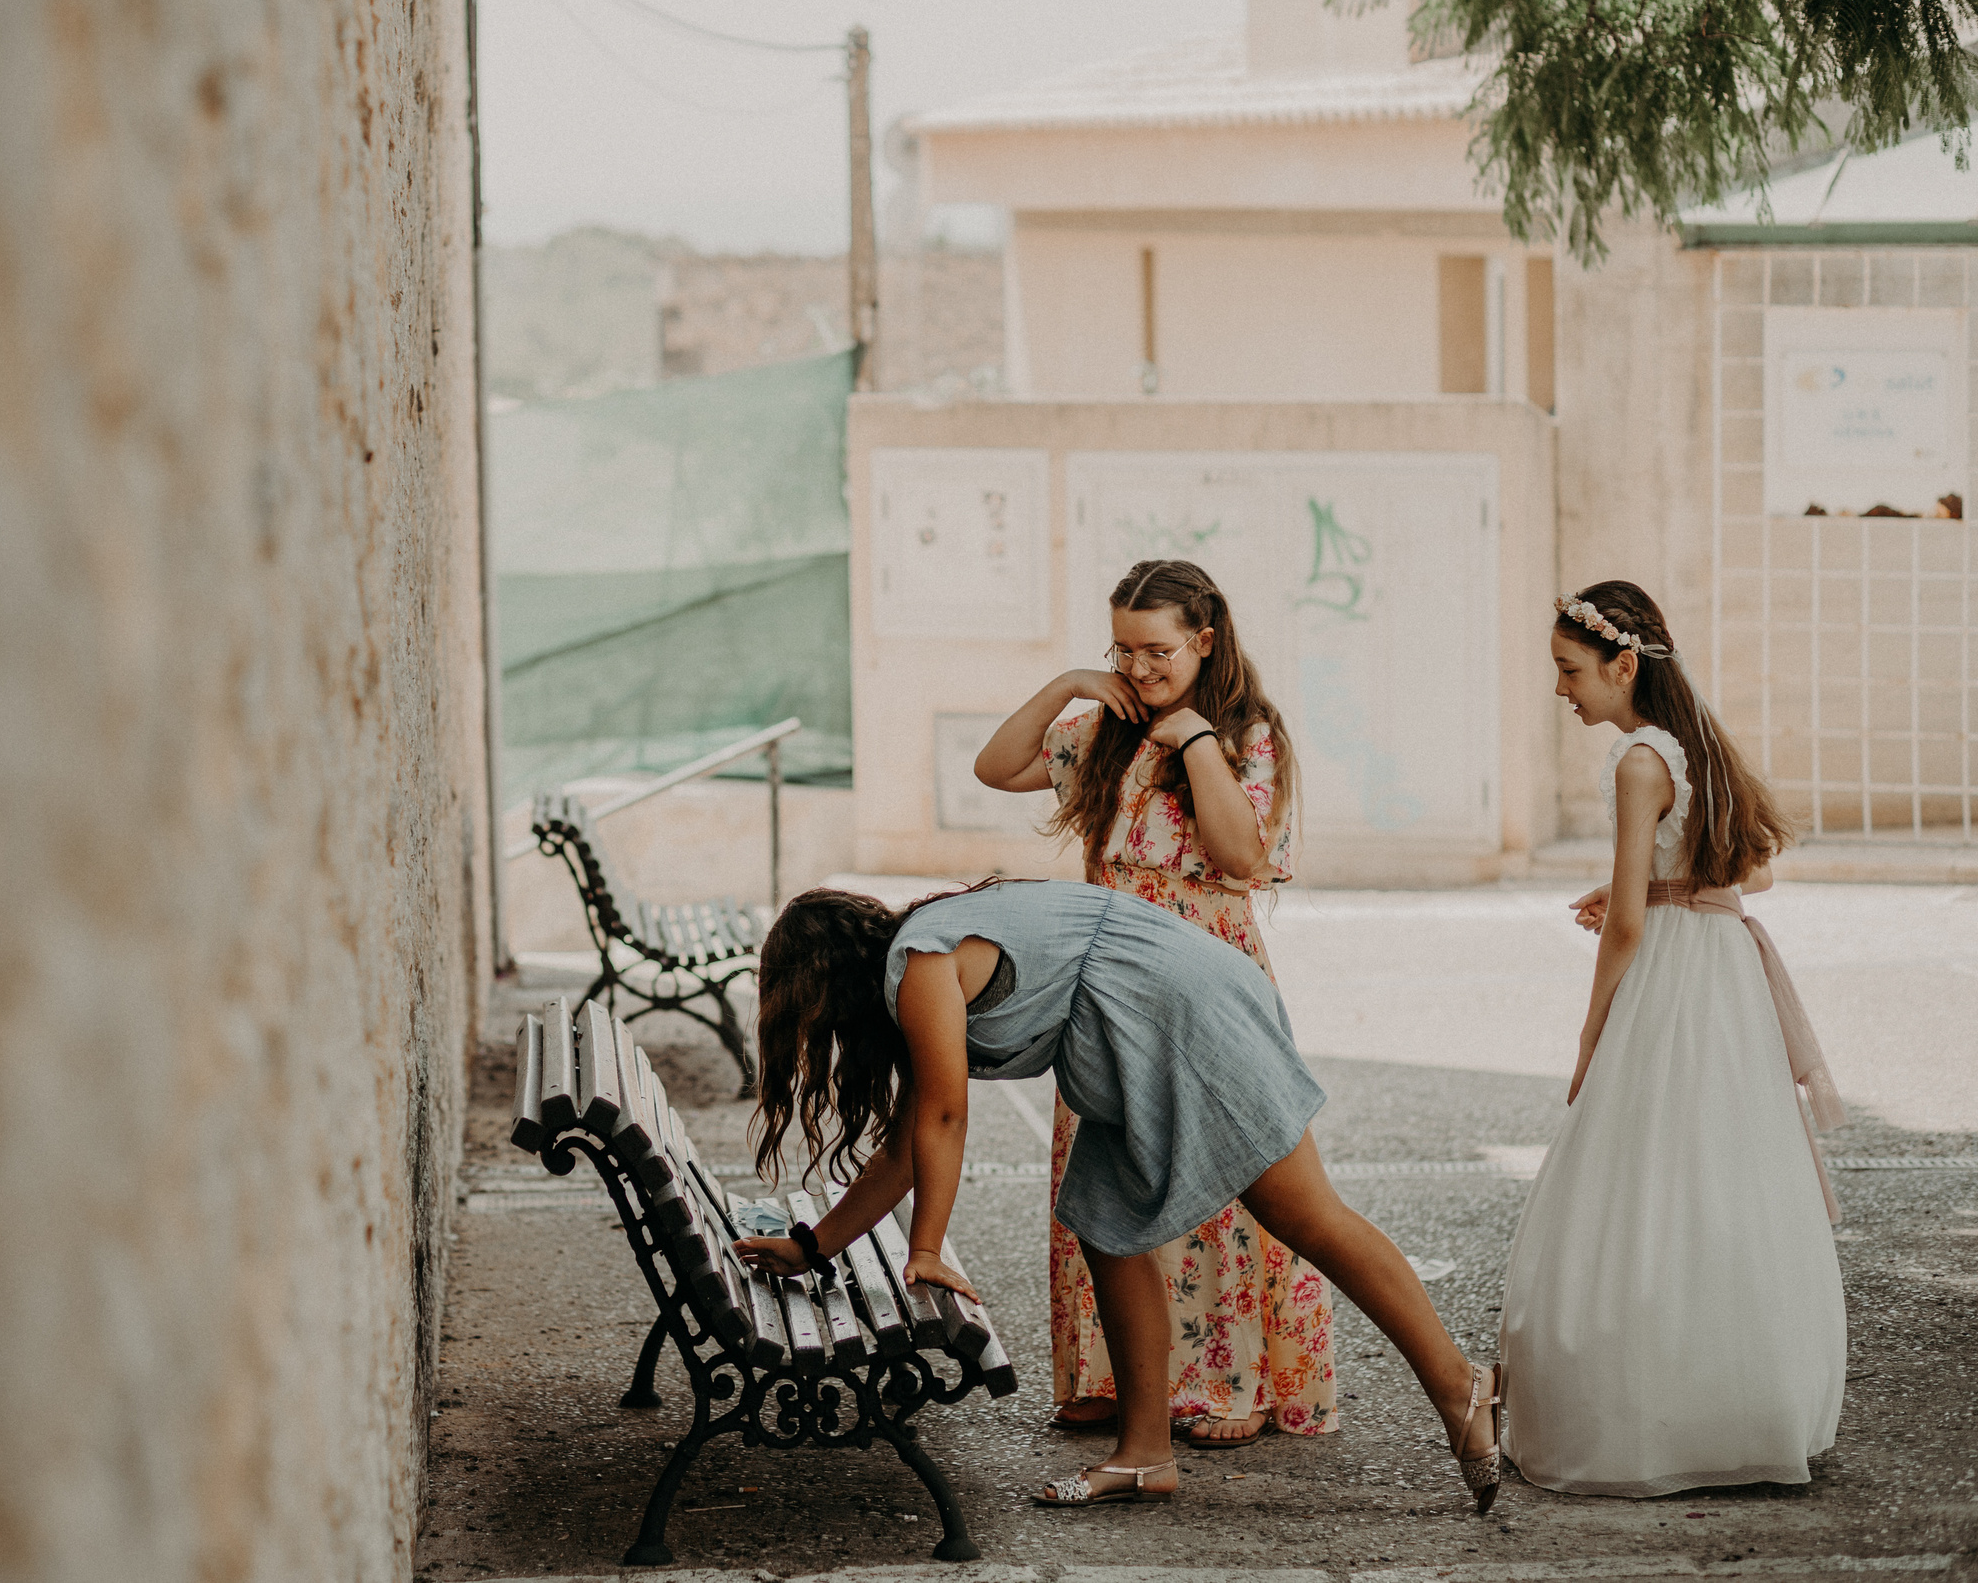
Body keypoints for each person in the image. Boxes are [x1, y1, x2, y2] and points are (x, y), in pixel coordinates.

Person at [729, 878, 1505, 1511]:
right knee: (1107, 1227)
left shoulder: (922, 961)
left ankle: (1459, 1385)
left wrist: (926, 1246)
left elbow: (943, 1116)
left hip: (1176, 1010)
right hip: (1127, 1028)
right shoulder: (922, 953)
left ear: (826, 980)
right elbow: (908, 1144)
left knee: (1305, 1214)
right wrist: (811, 1245)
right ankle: (1144, 1455)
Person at [972, 559, 1333, 1448]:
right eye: (1122, 649)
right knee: (1106, 1176)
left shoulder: (1247, 734)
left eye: (1157, 650)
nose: (1138, 667)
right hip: (1105, 980)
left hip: (1208, 974)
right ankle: (1112, 1377)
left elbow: (1240, 854)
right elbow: (995, 765)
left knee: (1215, 1172)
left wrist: (1196, 739)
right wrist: (1069, 683)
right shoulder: (1105, 726)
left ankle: (1228, 1382)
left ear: (1204, 641)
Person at [1500, 582, 1847, 1495]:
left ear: (1622, 666)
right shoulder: (1693, 742)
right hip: (1722, 975)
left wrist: (1592, 1031)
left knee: (1643, 1166)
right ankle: (1748, 1396)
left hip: (1671, 979)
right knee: (1723, 1168)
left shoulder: (1636, 761)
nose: (1562, 689)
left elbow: (1624, 926)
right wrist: (1658, 886)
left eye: (1571, 671)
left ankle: (1647, 1407)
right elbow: (1749, 874)